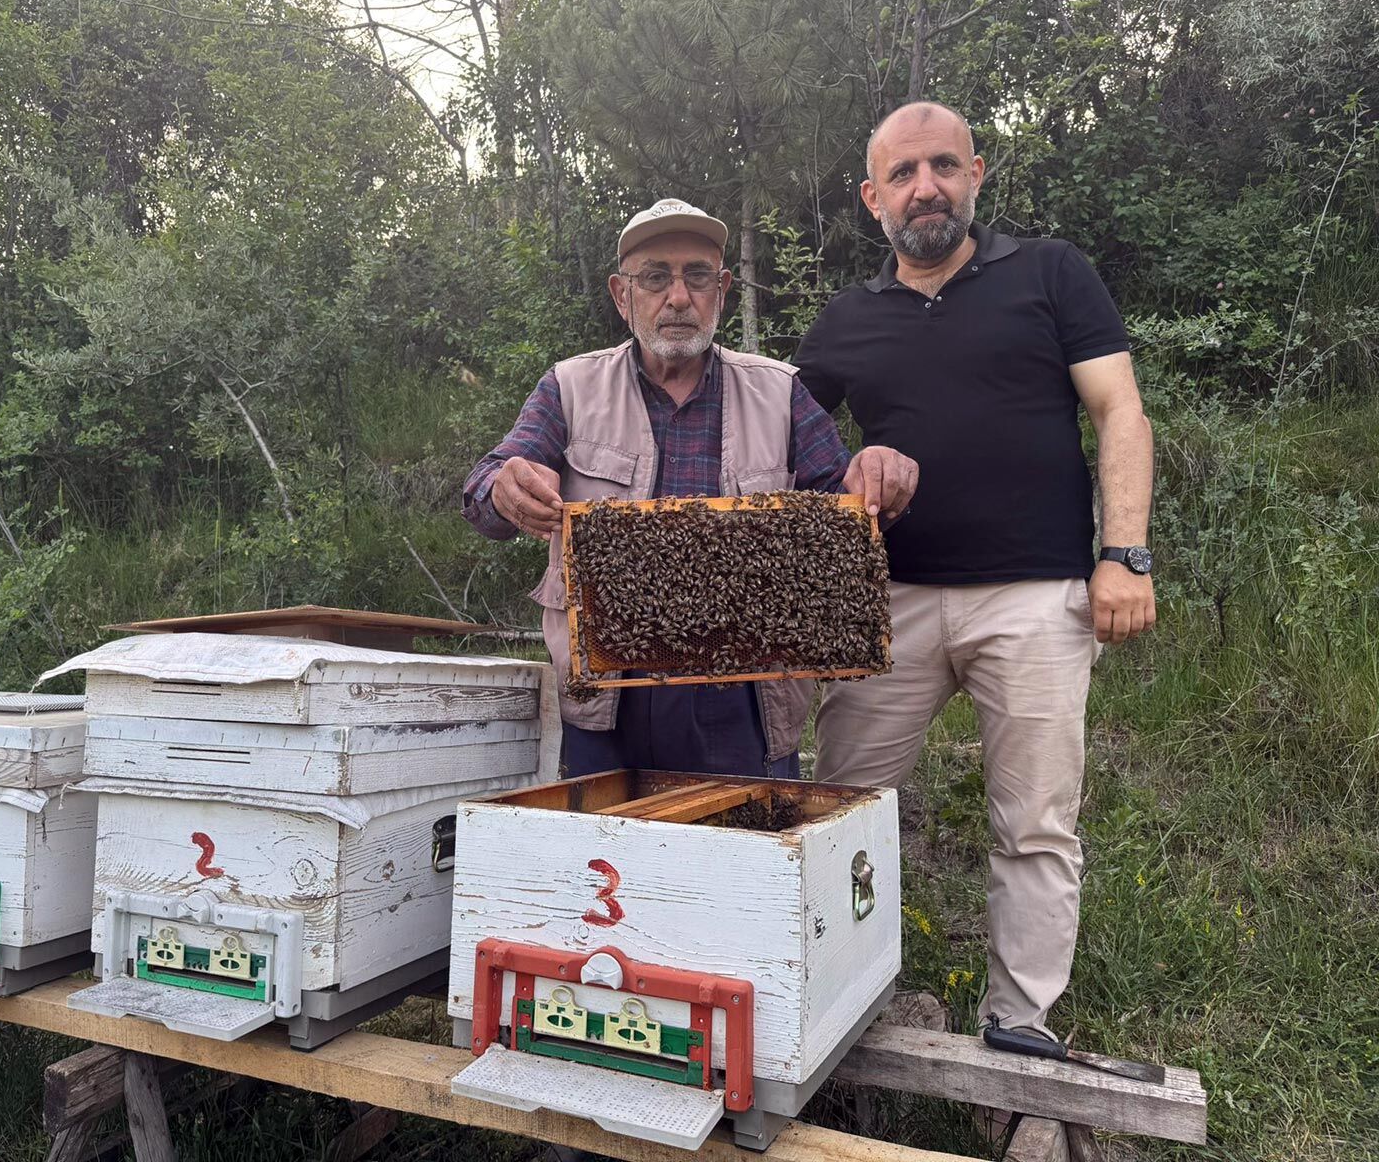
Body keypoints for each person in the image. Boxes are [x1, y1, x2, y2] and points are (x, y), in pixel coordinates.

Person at [794, 102, 1156, 1037]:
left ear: (976, 175)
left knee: (1035, 822)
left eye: (944, 166)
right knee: (835, 806)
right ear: (873, 198)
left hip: (1036, 598)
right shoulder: (844, 320)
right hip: (888, 605)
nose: (927, 188)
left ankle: (1021, 1020)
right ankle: (825, 992)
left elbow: (1119, 412)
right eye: (905, 174)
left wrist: (1123, 556)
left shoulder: (1051, 273)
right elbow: (787, 447)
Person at [464, 198, 918, 779]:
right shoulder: (569, 387)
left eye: (697, 276)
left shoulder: (781, 394)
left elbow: (850, 509)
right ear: (622, 293)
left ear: (723, 289)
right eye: (655, 276)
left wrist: (880, 476)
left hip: (746, 702)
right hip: (607, 699)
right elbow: (487, 484)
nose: (677, 297)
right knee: (605, 865)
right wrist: (503, 488)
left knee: (748, 862)